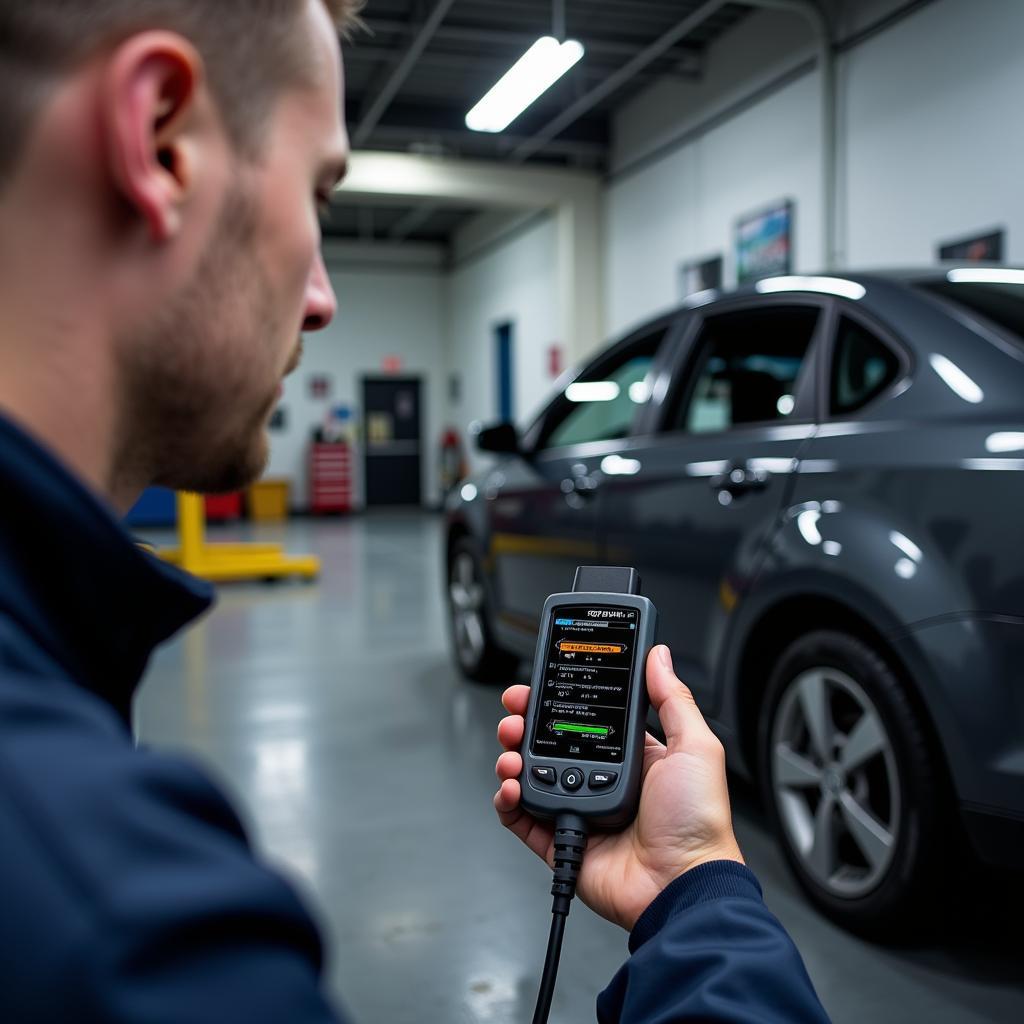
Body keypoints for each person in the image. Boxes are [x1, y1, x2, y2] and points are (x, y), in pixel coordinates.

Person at [0, 1, 830, 1021]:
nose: (321, 297)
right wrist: (705, 893)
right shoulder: (132, 939)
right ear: (160, 139)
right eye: (318, 194)